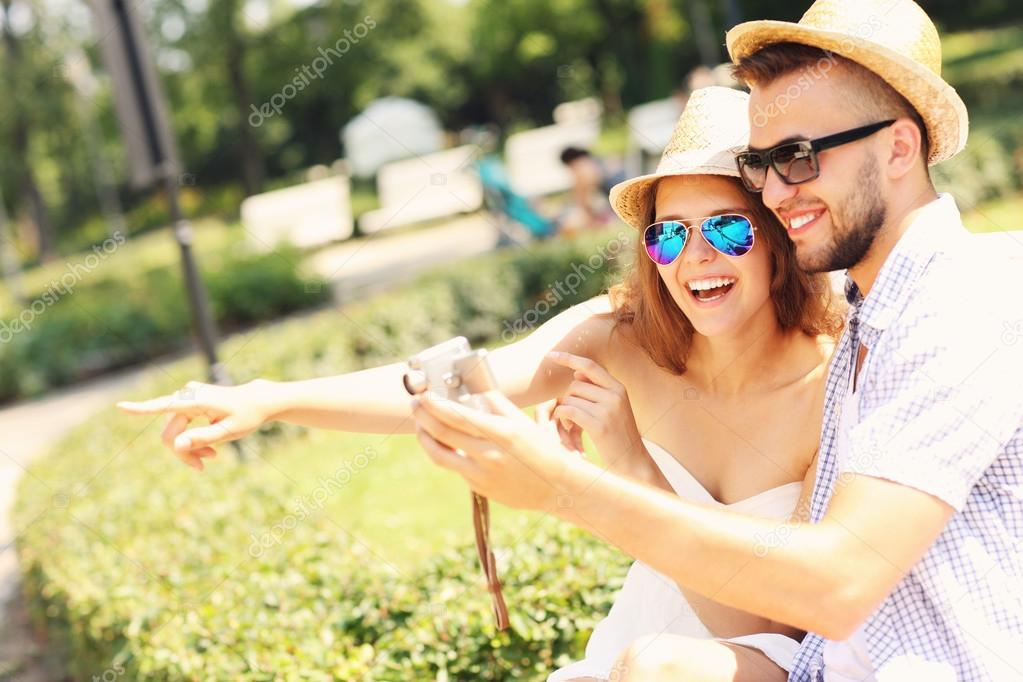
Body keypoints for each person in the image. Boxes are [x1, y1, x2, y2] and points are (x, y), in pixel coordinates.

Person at [117, 87, 842, 681]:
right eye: (667, 235)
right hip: (638, 649)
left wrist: (626, 463)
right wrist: (270, 398)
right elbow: (453, 383)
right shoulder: (623, 336)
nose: (693, 259)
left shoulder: (828, 378)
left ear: (777, 238)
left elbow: (766, 624)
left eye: (727, 229)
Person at [410, 1, 1023, 680]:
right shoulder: (865, 312)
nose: (773, 193)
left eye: (796, 157)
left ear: (899, 148)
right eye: (760, 164)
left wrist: (561, 487)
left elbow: (839, 585)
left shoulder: (962, 304)